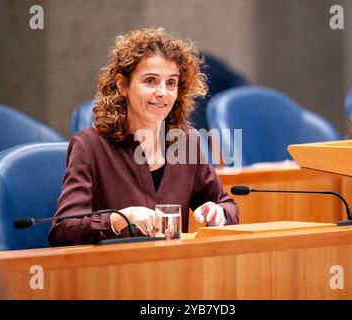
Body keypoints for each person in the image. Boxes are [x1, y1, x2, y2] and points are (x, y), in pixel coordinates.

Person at [48, 28, 239, 246]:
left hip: (173, 271)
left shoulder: (186, 141)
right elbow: (63, 231)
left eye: (171, 83)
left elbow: (226, 204)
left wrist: (218, 212)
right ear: (122, 85)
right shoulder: (89, 146)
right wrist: (119, 219)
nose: (163, 93)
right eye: (150, 80)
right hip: (115, 273)